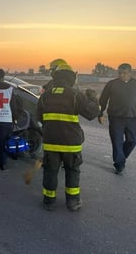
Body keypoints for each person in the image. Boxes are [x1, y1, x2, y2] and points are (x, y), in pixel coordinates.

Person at [37, 64, 99, 211]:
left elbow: (39, 117)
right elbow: (91, 113)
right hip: (71, 144)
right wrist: (93, 99)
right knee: (72, 171)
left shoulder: (45, 95)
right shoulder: (75, 94)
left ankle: (48, 201)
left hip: (51, 142)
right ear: (71, 77)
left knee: (50, 171)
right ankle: (72, 201)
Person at [98, 63, 136, 174]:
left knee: (134, 139)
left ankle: (121, 157)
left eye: (124, 73)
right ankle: (119, 164)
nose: (122, 75)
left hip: (132, 118)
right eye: (120, 73)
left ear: (130, 73)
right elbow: (103, 99)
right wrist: (100, 113)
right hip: (115, 117)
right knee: (117, 141)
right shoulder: (111, 84)